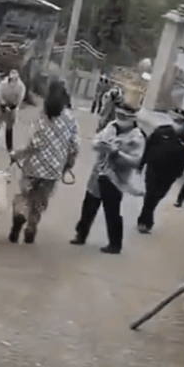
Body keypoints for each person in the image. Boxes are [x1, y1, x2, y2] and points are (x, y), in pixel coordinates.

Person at [8, 79, 79, 245]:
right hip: (53, 170)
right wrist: (68, 164)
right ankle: (31, 227)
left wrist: (16, 154)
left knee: (25, 195)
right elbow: (75, 146)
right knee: (40, 201)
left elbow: (34, 143)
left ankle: (19, 216)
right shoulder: (71, 119)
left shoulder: (43, 114)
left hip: (33, 166)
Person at [71, 101, 145, 255]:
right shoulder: (111, 126)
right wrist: (99, 145)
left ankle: (115, 244)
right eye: (118, 114)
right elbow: (96, 140)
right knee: (88, 207)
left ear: (132, 118)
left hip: (115, 179)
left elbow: (135, 161)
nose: (120, 118)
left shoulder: (137, 137)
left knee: (112, 212)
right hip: (98, 174)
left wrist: (116, 153)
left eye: (124, 116)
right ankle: (81, 235)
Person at [136, 107, 184, 234]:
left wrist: (180, 173)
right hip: (153, 169)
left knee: (157, 196)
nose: (178, 124)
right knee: (151, 193)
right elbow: (147, 147)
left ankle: (144, 218)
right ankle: (145, 222)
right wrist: (141, 164)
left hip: (169, 175)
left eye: (181, 122)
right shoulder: (161, 131)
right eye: (176, 121)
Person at [0, 69, 26, 153]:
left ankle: (9, 147)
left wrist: (14, 106)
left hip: (12, 108)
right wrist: (2, 104)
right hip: (2, 106)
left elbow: (20, 98)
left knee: (9, 128)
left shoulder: (20, 86)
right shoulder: (3, 84)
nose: (12, 81)